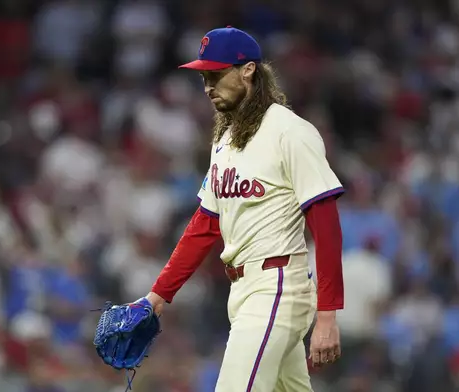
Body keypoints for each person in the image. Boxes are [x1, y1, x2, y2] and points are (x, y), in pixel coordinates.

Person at [142, 26, 345, 391]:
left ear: (248, 70)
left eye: (216, 75)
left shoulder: (289, 132)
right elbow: (205, 224)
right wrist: (159, 295)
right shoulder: (225, 137)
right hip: (243, 292)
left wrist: (328, 315)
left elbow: (326, 224)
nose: (207, 87)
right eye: (204, 76)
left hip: (277, 286)